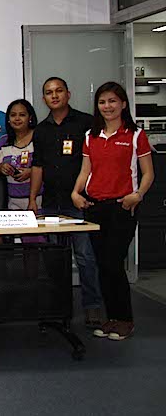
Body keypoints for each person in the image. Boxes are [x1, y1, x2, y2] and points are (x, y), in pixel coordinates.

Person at [72, 82, 154, 341]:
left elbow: (148, 173)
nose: (107, 106)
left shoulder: (135, 135)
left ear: (123, 104)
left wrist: (137, 195)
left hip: (122, 206)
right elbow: (86, 170)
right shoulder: (90, 136)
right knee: (101, 265)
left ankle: (125, 320)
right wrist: (76, 193)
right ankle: (111, 319)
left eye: (112, 101)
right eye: (102, 102)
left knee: (113, 262)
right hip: (95, 207)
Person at [29, 76, 103, 328]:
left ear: (68, 94)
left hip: (79, 202)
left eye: (59, 90)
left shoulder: (86, 123)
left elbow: (95, 162)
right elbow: (37, 166)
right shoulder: (40, 130)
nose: (54, 95)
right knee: (54, 258)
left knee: (85, 256)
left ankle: (92, 306)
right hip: (51, 203)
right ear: (44, 99)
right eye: (49, 92)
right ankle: (58, 306)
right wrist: (32, 199)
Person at [0, 99, 42, 211]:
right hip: (13, 205)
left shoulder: (40, 137)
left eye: (22, 115)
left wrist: (31, 172)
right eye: (13, 115)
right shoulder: (4, 141)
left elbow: (52, 165)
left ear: (30, 118)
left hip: (40, 202)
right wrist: (0, 168)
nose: (17, 119)